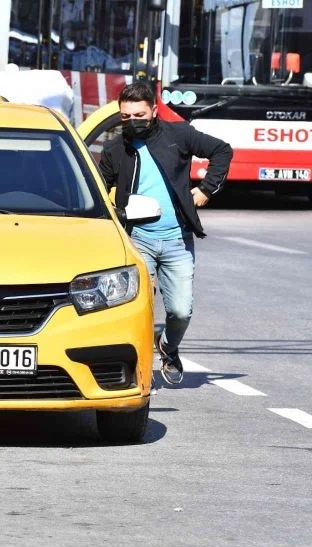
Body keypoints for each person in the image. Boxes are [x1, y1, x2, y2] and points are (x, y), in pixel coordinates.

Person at [98, 81, 232, 385]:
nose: (133, 121)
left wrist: (206, 190)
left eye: (140, 115)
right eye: (126, 116)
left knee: (181, 311)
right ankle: (137, 373)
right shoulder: (115, 149)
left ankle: (169, 348)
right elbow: (98, 189)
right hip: (136, 241)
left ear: (154, 111)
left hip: (177, 240)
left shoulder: (178, 135)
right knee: (138, 309)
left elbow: (222, 151)